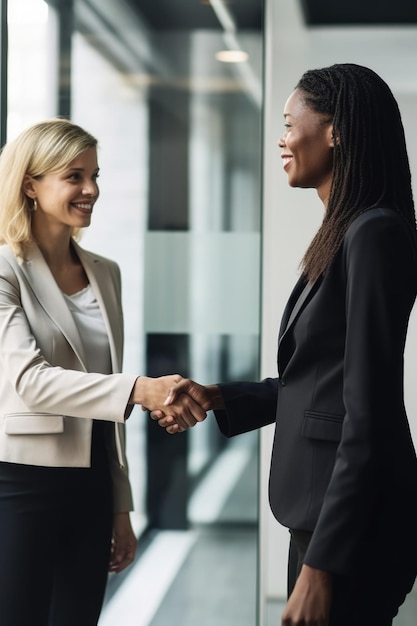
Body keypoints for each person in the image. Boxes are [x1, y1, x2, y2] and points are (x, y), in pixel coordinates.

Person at [152, 63, 417, 626]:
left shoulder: (374, 233)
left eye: (290, 121)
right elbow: (318, 382)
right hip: (328, 521)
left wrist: (322, 567)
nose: (282, 137)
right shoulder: (346, 231)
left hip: (350, 531)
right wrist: (222, 396)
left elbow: (365, 414)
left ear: (336, 132)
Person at [0, 118, 204, 626]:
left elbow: (104, 403)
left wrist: (120, 504)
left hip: (92, 484)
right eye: (74, 176)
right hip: (20, 484)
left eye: (95, 175)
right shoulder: (5, 270)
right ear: (31, 184)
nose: (91, 190)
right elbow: (29, 382)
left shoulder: (104, 272)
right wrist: (140, 389)